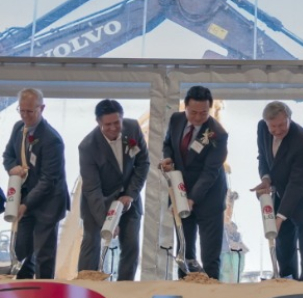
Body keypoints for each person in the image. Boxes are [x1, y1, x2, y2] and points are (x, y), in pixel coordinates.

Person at [160, 85, 229, 280]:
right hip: (180, 192)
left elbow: (210, 172)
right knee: (184, 250)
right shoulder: (176, 119)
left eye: (203, 113)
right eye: (193, 112)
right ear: (186, 106)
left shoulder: (218, 134)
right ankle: (184, 295)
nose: (198, 118)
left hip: (208, 197)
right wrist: (168, 159)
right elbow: (168, 144)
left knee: (210, 256)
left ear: (210, 109)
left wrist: (192, 199)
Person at [77, 99, 150, 280]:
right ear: (99, 123)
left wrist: (130, 194)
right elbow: (92, 189)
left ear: (122, 118)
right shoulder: (87, 147)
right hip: (98, 200)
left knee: (131, 245)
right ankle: (87, 284)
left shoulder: (132, 128)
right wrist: (107, 221)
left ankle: (125, 289)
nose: (113, 128)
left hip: (128, 198)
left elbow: (143, 163)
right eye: (107, 124)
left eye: (116, 122)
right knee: (91, 243)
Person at [2, 88, 70, 279]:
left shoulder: (52, 139)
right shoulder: (18, 128)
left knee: (43, 256)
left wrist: (26, 204)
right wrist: (12, 168)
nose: (25, 115)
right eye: (21, 110)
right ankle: (22, 293)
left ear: (41, 108)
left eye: (29, 111)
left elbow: (48, 180)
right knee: (21, 251)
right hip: (26, 200)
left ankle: (45, 297)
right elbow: (7, 156)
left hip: (48, 204)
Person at [250, 101, 303, 282]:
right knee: (282, 237)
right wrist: (266, 179)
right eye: (273, 126)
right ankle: (287, 278)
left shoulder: (302, 140)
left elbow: (297, 183)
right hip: (280, 188)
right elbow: (263, 157)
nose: (278, 130)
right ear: (266, 123)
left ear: (289, 118)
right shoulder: (262, 128)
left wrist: (280, 216)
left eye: (282, 125)